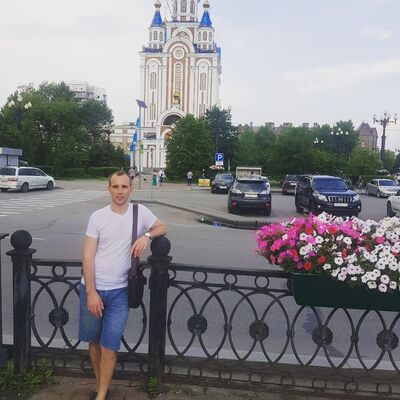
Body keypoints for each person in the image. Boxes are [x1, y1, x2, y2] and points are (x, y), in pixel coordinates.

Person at [79, 171, 167, 400]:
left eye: (124, 187)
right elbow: (88, 255)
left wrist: (146, 236)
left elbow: (162, 227)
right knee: (94, 343)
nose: (120, 192)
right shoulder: (98, 217)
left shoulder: (140, 212)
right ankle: (100, 386)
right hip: (93, 288)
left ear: (131, 189)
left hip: (120, 291)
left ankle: (101, 395)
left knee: (109, 346)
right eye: (115, 186)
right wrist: (91, 292)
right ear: (109, 188)